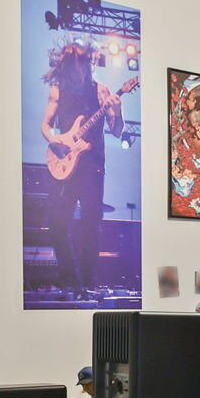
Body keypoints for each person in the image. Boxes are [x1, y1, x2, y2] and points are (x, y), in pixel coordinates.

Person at [39, 38, 121, 294]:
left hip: (92, 166)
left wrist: (116, 112)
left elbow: (117, 130)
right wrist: (57, 141)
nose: (78, 68)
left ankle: (86, 282)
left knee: (90, 224)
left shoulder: (102, 91)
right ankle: (69, 277)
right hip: (64, 162)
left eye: (82, 62)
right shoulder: (58, 90)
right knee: (56, 220)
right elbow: (45, 124)